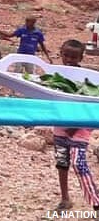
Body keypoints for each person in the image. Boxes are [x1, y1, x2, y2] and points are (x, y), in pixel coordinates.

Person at [53, 39, 99, 211]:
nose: (69, 60)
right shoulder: (55, 74)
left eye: (73, 57)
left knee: (78, 163)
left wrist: (78, 123)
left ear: (80, 58)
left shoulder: (87, 78)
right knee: (62, 162)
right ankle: (65, 198)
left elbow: (92, 102)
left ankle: (96, 202)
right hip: (60, 124)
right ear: (60, 53)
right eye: (66, 55)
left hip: (80, 126)